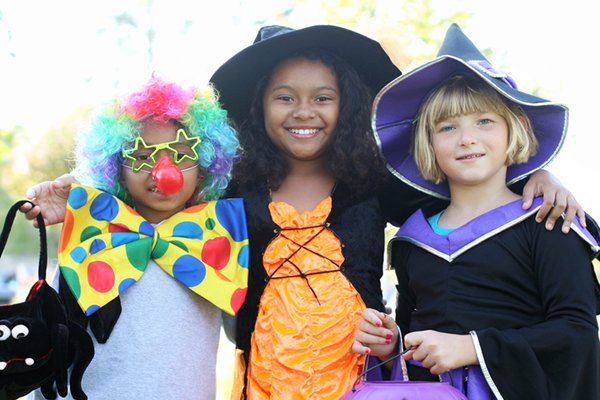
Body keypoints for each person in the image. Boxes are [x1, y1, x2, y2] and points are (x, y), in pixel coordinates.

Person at [22, 25, 590, 399]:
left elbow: (465, 190)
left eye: (322, 97)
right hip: (266, 381)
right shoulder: (234, 187)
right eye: (284, 96)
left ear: (344, 104)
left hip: (358, 380)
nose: (304, 111)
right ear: (259, 107)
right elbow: (157, 189)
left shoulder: (375, 182)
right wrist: (80, 187)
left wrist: (534, 174)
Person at [352, 24, 600, 399]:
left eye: (484, 121)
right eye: (448, 127)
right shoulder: (413, 242)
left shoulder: (549, 221)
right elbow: (415, 339)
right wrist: (391, 345)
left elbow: (577, 332)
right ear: (428, 144)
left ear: (514, 129)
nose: (467, 137)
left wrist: (473, 348)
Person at [34, 76, 249, 400]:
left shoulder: (219, 247)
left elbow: (245, 334)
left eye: (180, 154)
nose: (162, 170)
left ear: (204, 166)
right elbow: (54, 346)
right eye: (142, 155)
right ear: (117, 168)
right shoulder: (91, 243)